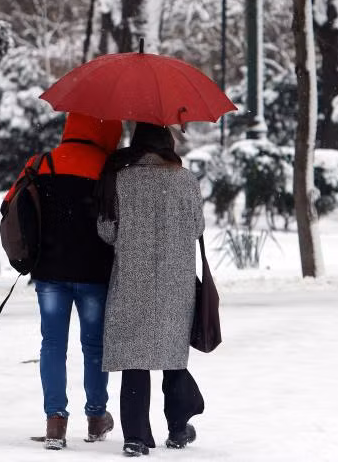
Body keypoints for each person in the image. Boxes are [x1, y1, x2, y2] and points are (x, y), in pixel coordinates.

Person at [3, 112, 123, 449]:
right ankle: (97, 417)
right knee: (94, 346)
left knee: (52, 345)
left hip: (50, 271)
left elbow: (9, 204)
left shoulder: (41, 163)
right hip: (94, 272)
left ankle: (55, 422)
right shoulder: (109, 168)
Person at [95, 122, 206, 457]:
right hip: (176, 282)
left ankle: (136, 437)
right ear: (167, 144)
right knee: (172, 358)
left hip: (132, 281)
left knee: (135, 359)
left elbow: (106, 232)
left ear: (136, 144)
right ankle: (177, 429)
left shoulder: (121, 179)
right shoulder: (185, 180)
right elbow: (197, 227)